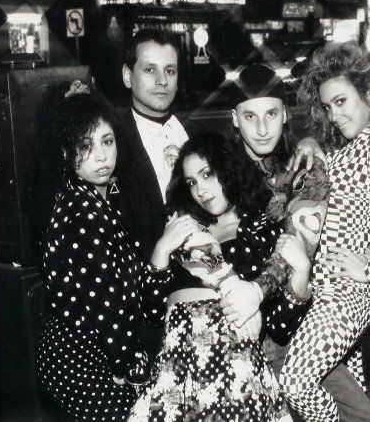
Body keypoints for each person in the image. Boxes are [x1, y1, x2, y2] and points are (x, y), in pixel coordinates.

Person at [220, 63, 370, 422]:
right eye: (250, 116)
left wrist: (257, 290)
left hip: (293, 333)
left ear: (285, 114)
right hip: (235, 334)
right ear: (235, 119)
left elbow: (297, 246)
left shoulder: (307, 170)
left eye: (271, 114)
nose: (262, 128)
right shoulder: (217, 173)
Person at [280, 44, 370, 422]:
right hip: (327, 289)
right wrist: (310, 141)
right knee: (350, 396)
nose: (335, 114)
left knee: (295, 381)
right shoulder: (350, 143)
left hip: (348, 292)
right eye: (328, 106)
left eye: (342, 101)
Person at [129, 132, 312, 421]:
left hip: (232, 360)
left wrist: (301, 271)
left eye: (207, 174)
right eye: (192, 182)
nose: (201, 190)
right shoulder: (182, 225)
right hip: (177, 362)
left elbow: (279, 328)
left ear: (229, 168)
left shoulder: (262, 228)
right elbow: (152, 313)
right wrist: (161, 252)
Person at [35, 91, 194, 422]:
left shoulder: (99, 200)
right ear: (66, 153)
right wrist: (131, 367)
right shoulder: (80, 212)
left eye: (107, 141)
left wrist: (160, 253)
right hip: (80, 361)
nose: (101, 156)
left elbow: (130, 295)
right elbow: (107, 305)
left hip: (101, 352)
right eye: (85, 146)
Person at [112, 28, 188, 263]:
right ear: (127, 76)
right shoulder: (112, 145)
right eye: (150, 69)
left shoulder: (197, 133)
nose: (162, 81)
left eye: (170, 71)